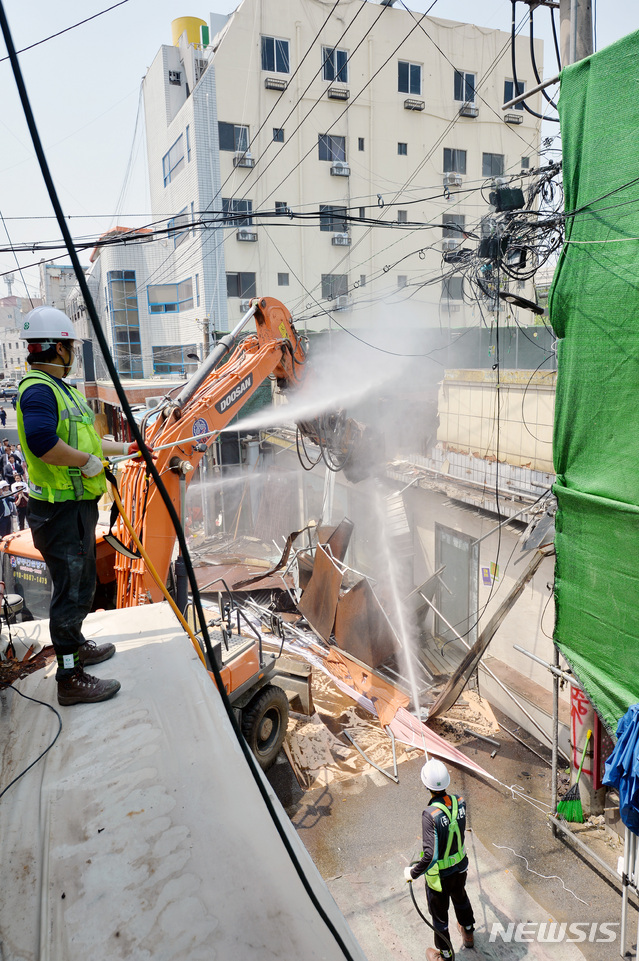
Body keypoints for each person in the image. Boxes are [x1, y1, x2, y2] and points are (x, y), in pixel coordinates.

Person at [17, 305, 142, 707]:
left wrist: (125, 449)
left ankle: (77, 647)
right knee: (71, 593)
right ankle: (69, 677)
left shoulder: (62, 390)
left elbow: (87, 441)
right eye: (70, 346)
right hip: (60, 512)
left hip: (74, 509)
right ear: (58, 348)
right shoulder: (39, 390)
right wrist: (86, 462)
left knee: (81, 586)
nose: (72, 353)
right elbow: (42, 442)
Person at [404, 759, 475, 960]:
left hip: (440, 878)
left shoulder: (430, 815)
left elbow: (431, 856)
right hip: (460, 868)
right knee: (461, 898)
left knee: (439, 917)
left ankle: (445, 955)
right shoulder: (460, 801)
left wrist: (413, 873)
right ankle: (468, 933)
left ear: (426, 785)